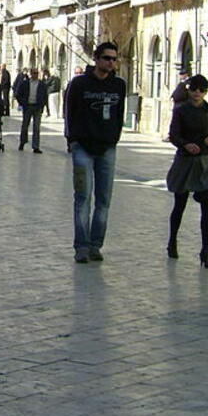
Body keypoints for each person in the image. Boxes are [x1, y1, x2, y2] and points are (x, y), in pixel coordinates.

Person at [64, 42, 126, 263]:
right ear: (97, 59)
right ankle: (81, 246)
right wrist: (71, 140)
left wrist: (114, 138)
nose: (111, 62)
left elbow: (119, 115)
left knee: (104, 199)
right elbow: (69, 111)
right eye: (107, 58)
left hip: (107, 148)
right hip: (82, 146)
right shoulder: (79, 84)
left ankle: (95, 245)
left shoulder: (119, 85)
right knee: (82, 197)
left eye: (113, 59)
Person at [164, 75, 208, 268]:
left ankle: (206, 251)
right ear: (189, 90)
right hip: (185, 161)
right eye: (195, 88)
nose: (197, 93)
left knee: (207, 206)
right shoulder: (181, 111)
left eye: (202, 89)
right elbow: (174, 135)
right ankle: (172, 241)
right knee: (179, 204)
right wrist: (185, 144)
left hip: (205, 162)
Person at [16, 68, 48, 154]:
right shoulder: (25, 83)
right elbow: (18, 94)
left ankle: (36, 146)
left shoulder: (42, 84)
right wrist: (23, 103)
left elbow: (45, 96)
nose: (35, 75)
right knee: (25, 125)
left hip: (37, 107)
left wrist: (42, 105)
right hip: (28, 106)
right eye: (34, 73)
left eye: (37, 73)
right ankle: (22, 142)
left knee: (36, 127)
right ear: (31, 74)